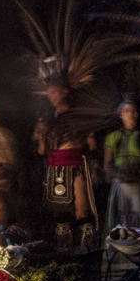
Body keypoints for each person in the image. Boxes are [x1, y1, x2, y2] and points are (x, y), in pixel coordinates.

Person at [34, 81, 99, 252]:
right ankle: (64, 252)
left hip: (77, 165)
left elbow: (91, 145)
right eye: (49, 94)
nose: (52, 97)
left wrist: (94, 168)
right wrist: (41, 134)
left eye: (55, 92)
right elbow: (42, 151)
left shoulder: (79, 115)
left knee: (82, 210)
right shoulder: (48, 120)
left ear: (65, 91)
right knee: (60, 212)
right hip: (55, 168)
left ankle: (89, 250)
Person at [103, 96, 140, 230]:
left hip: (139, 182)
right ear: (121, 114)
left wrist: (138, 171)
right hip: (120, 182)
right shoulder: (113, 137)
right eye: (127, 111)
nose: (132, 115)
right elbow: (107, 164)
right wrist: (117, 174)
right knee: (121, 218)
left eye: (134, 111)